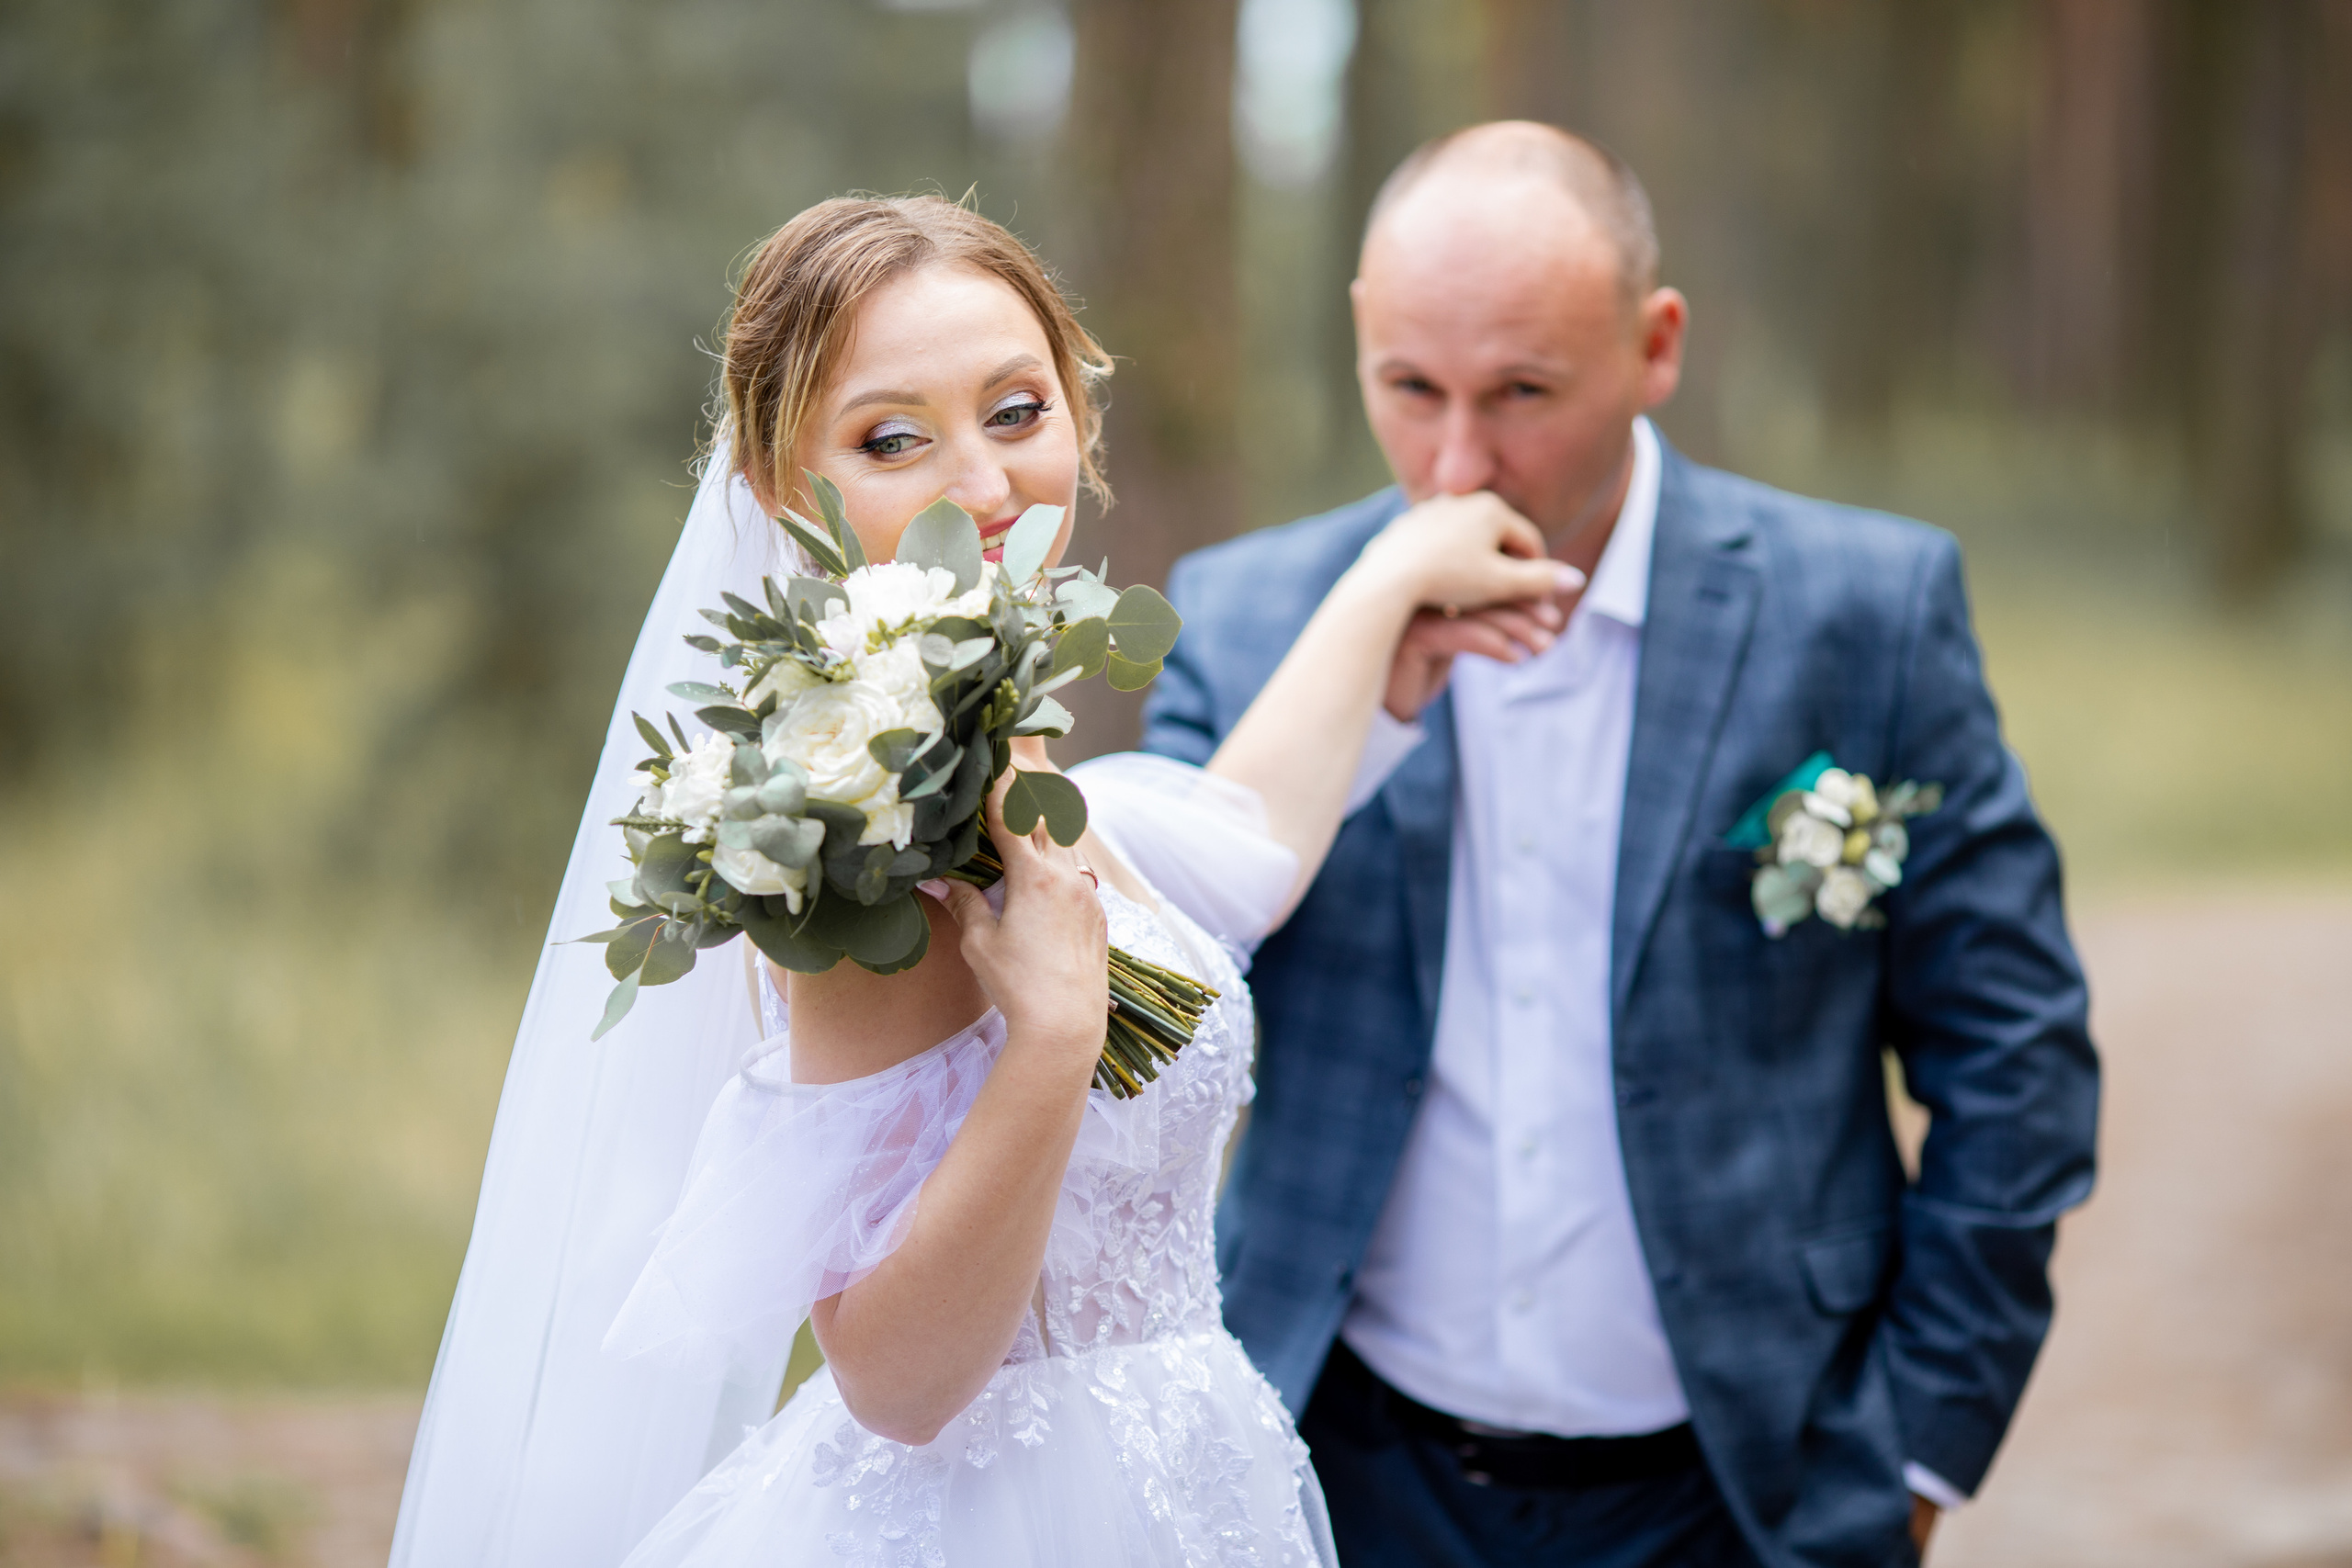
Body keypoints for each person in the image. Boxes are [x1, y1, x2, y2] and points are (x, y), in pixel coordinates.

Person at [389, 194, 1572, 1567]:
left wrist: (1391, 588)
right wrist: (1056, 1042)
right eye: (896, 439)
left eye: (1018, 412)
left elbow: (1234, 847)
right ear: (786, 488)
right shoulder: (855, 822)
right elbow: (894, 1378)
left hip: (1185, 1488)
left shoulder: (1007, 748)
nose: (986, 484)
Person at [1146, 122, 2102, 1568]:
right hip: (1340, 1475)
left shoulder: (1866, 611)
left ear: (1655, 347)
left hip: (1749, 1492)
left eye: (1523, 392)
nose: (1460, 459)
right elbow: (1136, 1026)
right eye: (1410, 387)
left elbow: (2015, 1057)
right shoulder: (1242, 620)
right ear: (1359, 338)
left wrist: (1913, 1453)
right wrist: (1367, 697)